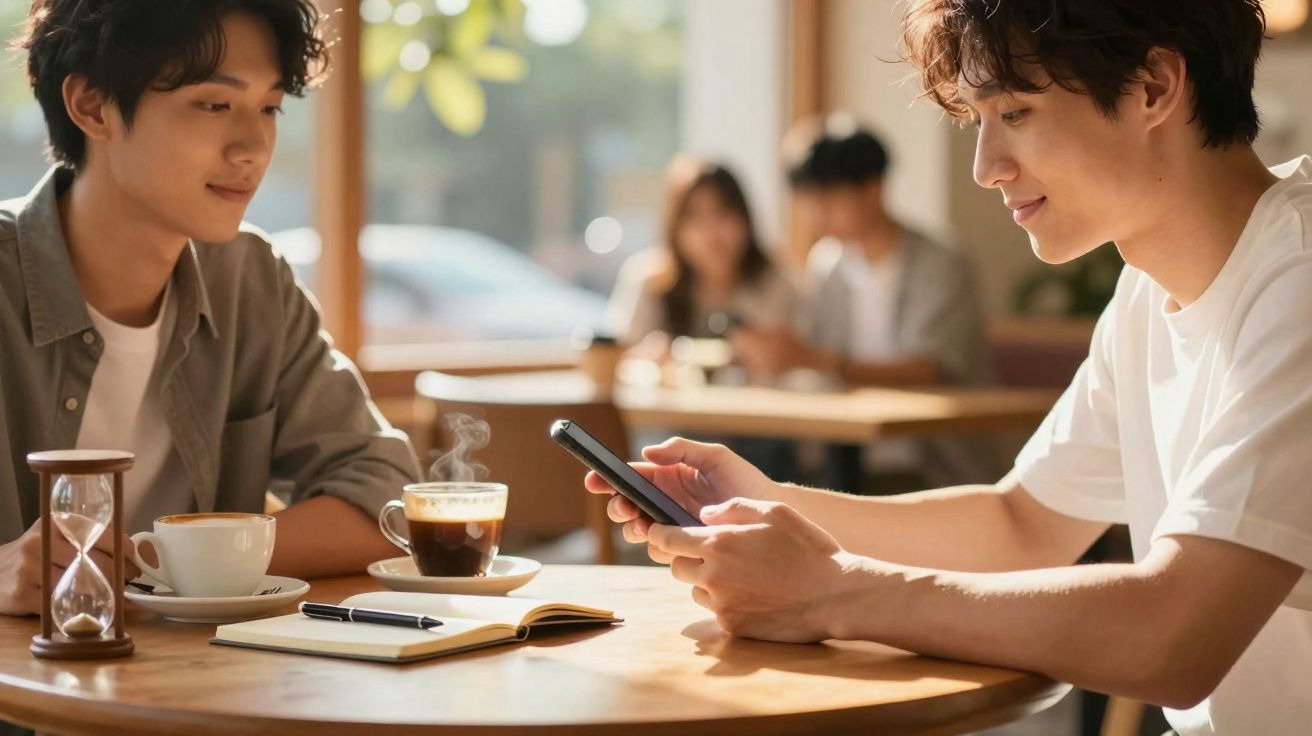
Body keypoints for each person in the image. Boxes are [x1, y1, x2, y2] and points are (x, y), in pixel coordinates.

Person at [585, 1, 1312, 734]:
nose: (986, 167)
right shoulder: (1146, 293)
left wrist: (832, 592)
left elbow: (1173, 637)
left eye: (1015, 113)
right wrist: (769, 499)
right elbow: (1022, 523)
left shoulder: (1300, 278)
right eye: (977, 121)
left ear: (1154, 86)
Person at [0, 0, 420, 619]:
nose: (253, 147)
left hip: (204, 688)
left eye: (270, 108)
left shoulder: (250, 280)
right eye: (214, 105)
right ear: (91, 106)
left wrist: (177, 562)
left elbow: (384, 500)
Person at [736, 116, 998, 488]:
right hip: (844, 460)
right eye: (810, 200)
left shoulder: (940, 263)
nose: (816, 213)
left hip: (935, 466)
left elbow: (929, 369)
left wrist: (808, 357)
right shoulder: (829, 264)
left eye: (828, 197)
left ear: (872, 188)